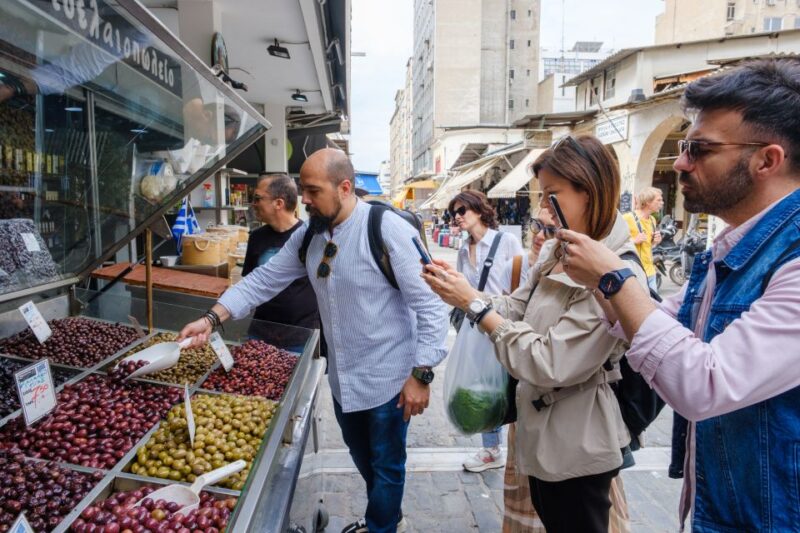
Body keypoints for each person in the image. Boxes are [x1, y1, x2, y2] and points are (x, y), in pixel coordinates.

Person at [556, 59, 800, 531]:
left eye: (699, 149)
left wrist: (612, 278)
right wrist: (601, 283)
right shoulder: (732, 247)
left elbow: (705, 385)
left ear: (767, 160)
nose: (681, 163)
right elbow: (661, 319)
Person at [178, 148, 449, 533]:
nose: (303, 199)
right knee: (362, 456)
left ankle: (383, 525)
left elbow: (431, 304)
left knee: (388, 465)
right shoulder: (310, 237)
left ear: (344, 187)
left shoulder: (386, 229)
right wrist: (211, 318)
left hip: (392, 380)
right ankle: (388, 515)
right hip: (343, 380)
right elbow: (263, 280)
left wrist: (421, 374)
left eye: (312, 190)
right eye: (302, 190)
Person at [423, 135, 645, 533]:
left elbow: (549, 362)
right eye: (543, 196)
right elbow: (518, 307)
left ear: (590, 192)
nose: (544, 209)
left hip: (577, 446)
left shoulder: (615, 273)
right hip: (540, 435)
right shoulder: (560, 251)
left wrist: (475, 307)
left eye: (552, 195)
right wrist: (467, 294)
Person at [447, 190, 524, 473]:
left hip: (504, 322)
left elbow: (521, 283)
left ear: (479, 210)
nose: (457, 216)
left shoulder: (506, 241)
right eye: (454, 213)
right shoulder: (462, 250)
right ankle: (491, 448)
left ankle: (519, 442)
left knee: (511, 383)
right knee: (483, 384)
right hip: (475, 327)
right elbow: (461, 290)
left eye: (462, 210)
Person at [242, 173, 319, 350]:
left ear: (279, 203)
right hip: (260, 334)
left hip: (301, 337)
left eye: (258, 198)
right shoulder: (256, 237)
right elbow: (250, 282)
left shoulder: (309, 237)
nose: (254, 204)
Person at [622, 188, 663, 292]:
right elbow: (613, 243)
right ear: (648, 202)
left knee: (653, 305)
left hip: (650, 271)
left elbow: (649, 246)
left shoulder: (652, 220)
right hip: (634, 273)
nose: (662, 203)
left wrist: (655, 241)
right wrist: (634, 241)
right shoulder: (627, 218)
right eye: (658, 200)